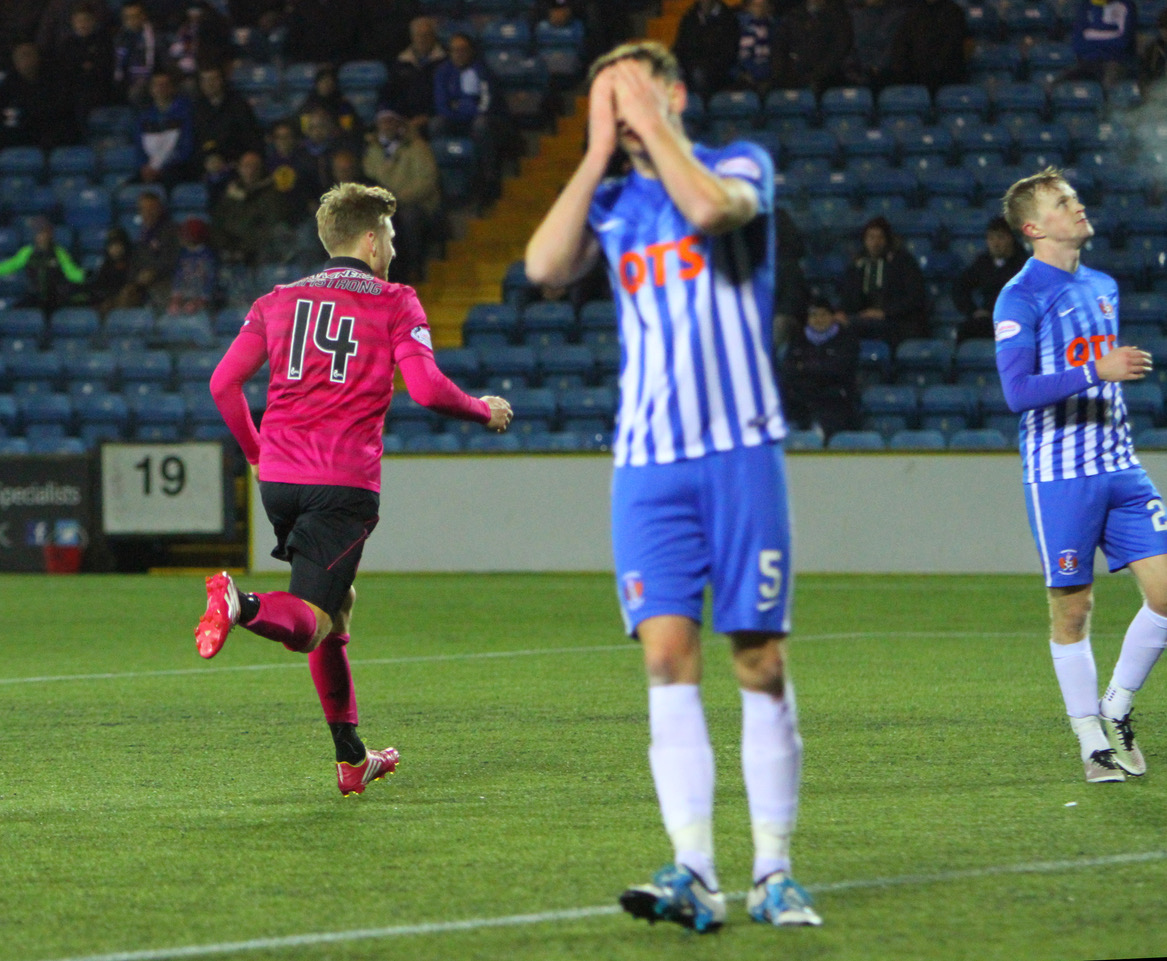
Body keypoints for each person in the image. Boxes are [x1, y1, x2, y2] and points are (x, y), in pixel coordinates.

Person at [525, 41, 820, 933]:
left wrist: (648, 123)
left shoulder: (738, 166)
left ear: (676, 95)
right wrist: (592, 152)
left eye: (633, 92)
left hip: (739, 453)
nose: (619, 111)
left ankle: (773, 869)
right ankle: (694, 867)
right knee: (664, 657)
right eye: (605, 99)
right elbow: (543, 268)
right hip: (647, 462)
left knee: (758, 658)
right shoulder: (611, 201)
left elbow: (709, 208)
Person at [196, 181, 513, 795]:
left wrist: (258, 454)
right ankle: (241, 604)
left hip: (280, 480)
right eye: (389, 236)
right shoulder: (395, 302)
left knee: (337, 607)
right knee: (312, 622)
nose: (393, 248)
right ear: (370, 240)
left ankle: (351, 757)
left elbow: (222, 385)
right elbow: (426, 389)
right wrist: (482, 409)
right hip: (340, 482)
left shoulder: (276, 301)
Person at [994, 167, 1165, 784]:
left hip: (1120, 464)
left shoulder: (1102, 285)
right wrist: (1099, 369)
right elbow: (1017, 392)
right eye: (1063, 202)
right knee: (1073, 609)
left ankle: (1116, 705)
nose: (1078, 205)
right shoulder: (1019, 297)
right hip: (1060, 474)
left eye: (1074, 197)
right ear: (1034, 228)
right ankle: (1090, 738)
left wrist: (1104, 372)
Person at [362, 107, 441, 285]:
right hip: (382, 207)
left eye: (391, 121)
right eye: (383, 122)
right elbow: (368, 179)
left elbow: (427, 181)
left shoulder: (418, 147)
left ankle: (413, 269)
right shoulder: (372, 151)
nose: (387, 126)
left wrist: (398, 199)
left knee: (408, 218)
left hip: (413, 205)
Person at [838, 215, 929, 346]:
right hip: (864, 319)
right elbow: (848, 296)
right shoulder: (858, 265)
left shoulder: (903, 263)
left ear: (887, 240)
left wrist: (884, 313)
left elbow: (915, 298)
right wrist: (841, 312)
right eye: (871, 237)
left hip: (896, 321)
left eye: (880, 237)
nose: (875, 243)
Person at [781, 297, 861, 438]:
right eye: (814, 315)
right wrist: (820, 366)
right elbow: (789, 370)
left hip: (835, 402)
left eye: (823, 315)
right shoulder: (798, 340)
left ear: (832, 317)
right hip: (800, 402)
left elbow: (839, 370)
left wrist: (805, 367)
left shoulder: (846, 340)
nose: (819, 319)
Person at [953, 215, 1027, 343]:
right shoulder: (983, 262)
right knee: (965, 330)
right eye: (991, 238)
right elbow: (960, 286)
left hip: (1016, 320)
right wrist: (972, 311)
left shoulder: (1024, 264)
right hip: (988, 319)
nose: (995, 244)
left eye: (1000, 237)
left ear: (1010, 238)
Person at [0, 218, 86, 313]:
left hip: (55, 298)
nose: (41, 237)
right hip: (34, 297)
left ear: (50, 235)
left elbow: (72, 273)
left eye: (43, 233)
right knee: (14, 312)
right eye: (38, 233)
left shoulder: (59, 253)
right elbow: (10, 265)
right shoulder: (27, 252)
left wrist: (86, 276)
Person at [380, 16, 446, 135]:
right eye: (418, 35)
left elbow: (446, 96)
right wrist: (391, 115)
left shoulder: (445, 62)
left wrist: (427, 116)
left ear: (434, 36)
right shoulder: (400, 62)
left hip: (433, 118)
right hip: (403, 119)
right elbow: (389, 93)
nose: (422, 39)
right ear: (412, 37)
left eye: (426, 35)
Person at [771, 0, 853, 94]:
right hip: (793, 78)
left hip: (827, 81)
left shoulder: (838, 17)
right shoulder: (793, 16)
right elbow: (780, 47)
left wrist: (817, 74)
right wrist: (785, 73)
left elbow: (838, 50)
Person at [134, 69, 197, 189]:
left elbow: (187, 147)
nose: (160, 88)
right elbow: (139, 147)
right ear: (151, 89)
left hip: (176, 169)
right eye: (156, 85)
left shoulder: (186, 113)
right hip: (151, 170)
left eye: (164, 85)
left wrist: (163, 168)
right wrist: (144, 166)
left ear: (172, 88)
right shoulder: (144, 117)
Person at [889, 0, 969, 93]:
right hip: (914, 76)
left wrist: (933, 68)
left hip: (945, 77)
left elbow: (952, 48)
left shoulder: (953, 11)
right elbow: (901, 45)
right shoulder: (913, 12)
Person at [1059, 0, 1137, 88]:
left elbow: (1123, 42)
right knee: (1059, 84)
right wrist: (1112, 36)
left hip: (1114, 61)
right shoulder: (1086, 5)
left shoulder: (1127, 5)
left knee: (1109, 83)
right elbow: (1078, 44)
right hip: (1087, 61)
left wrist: (1091, 36)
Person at [672, 0, 741, 99]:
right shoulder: (690, 17)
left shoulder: (728, 18)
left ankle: (703, 105)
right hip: (691, 67)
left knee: (698, 74)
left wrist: (703, 64)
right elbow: (680, 47)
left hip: (719, 72)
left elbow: (729, 54)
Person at [167, 215, 216, 313]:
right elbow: (178, 276)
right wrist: (176, 298)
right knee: (173, 310)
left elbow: (211, 280)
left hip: (203, 298)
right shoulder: (182, 253)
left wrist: (201, 300)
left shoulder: (208, 255)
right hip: (184, 295)